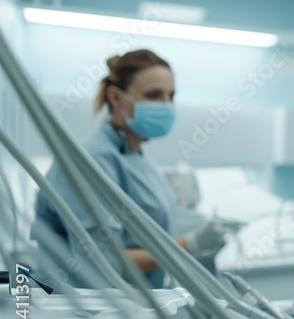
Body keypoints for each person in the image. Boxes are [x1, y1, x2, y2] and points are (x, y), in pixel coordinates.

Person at [32, 50, 229, 288]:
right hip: (88, 312)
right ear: (115, 98)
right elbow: (103, 262)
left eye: (171, 96)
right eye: (154, 95)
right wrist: (190, 245)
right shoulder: (91, 162)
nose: (166, 106)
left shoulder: (138, 158)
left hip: (138, 303)